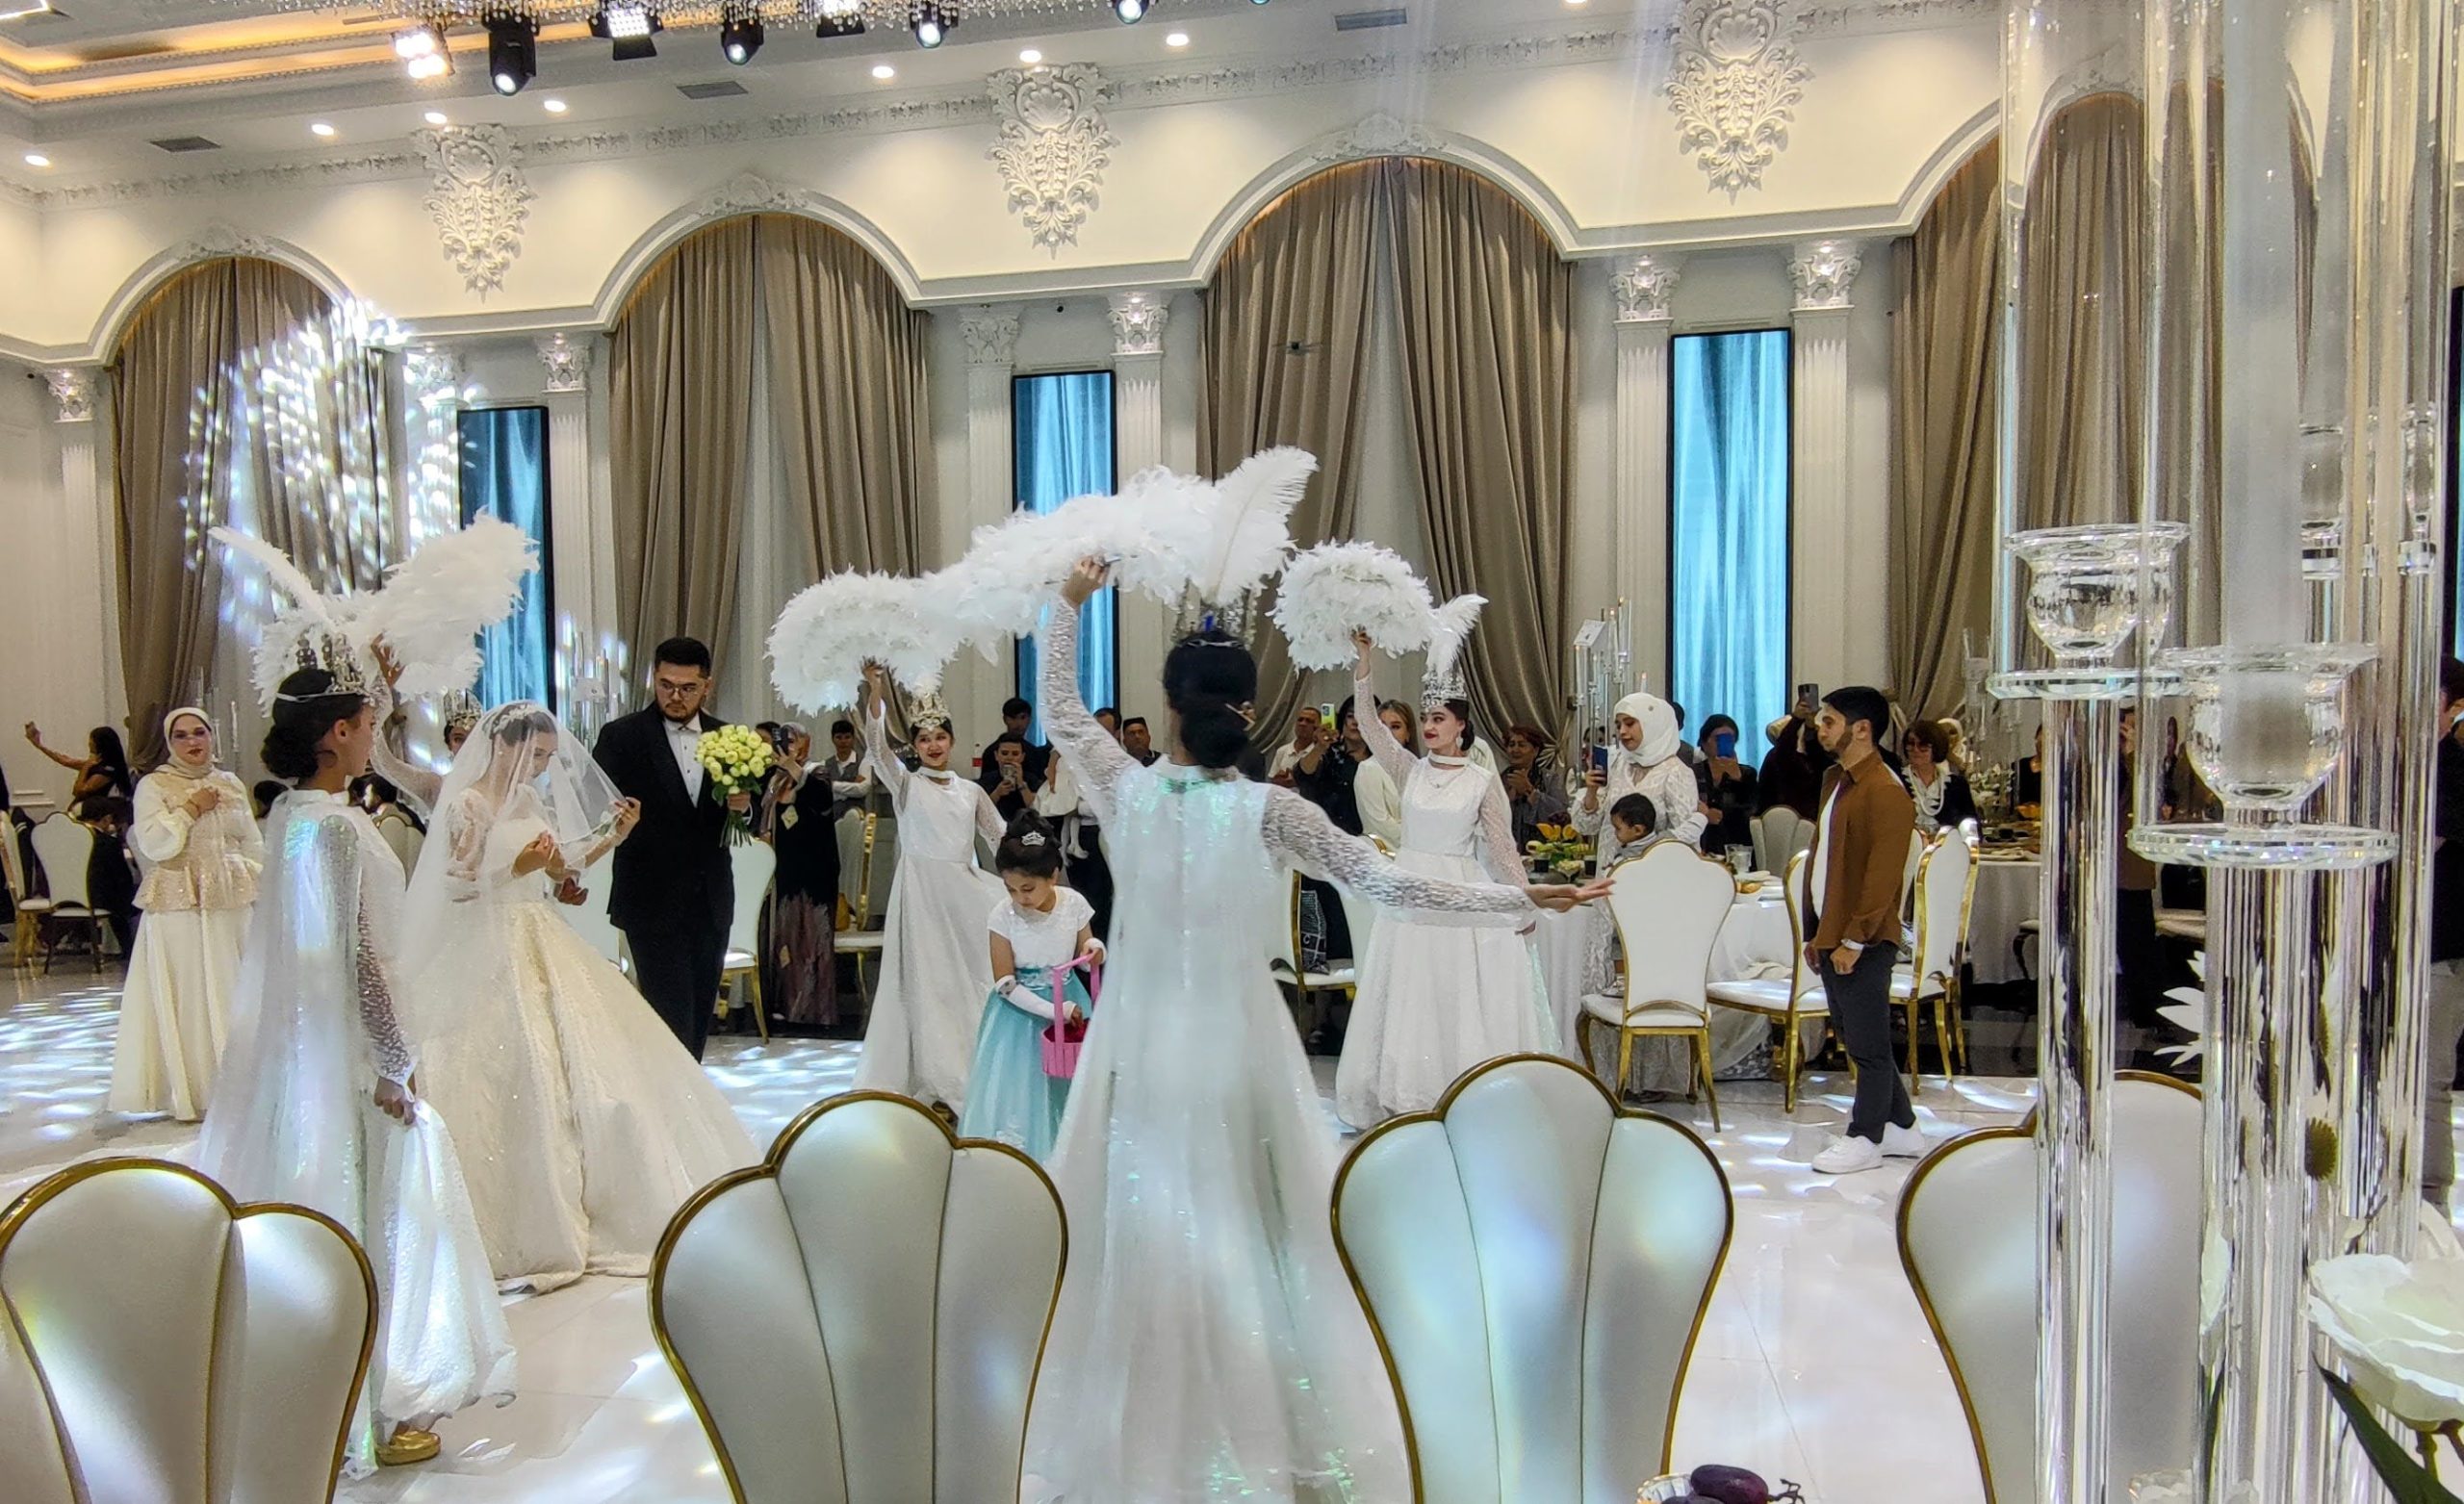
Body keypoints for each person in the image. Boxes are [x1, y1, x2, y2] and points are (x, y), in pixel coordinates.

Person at [1018, 561, 1601, 1502]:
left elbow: (1060, 707)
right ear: (1248, 714)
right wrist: (1521, 895)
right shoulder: (1271, 809)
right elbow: (1392, 885)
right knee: (1257, 1232)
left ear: (1169, 706)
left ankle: (1151, 1426)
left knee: (1145, 1228)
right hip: (1240, 1052)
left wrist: (1069, 604)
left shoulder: (1126, 790)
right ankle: (1266, 1424)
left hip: (1141, 1053)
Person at [196, 665, 514, 1474]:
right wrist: (394, 1059)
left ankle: (332, 1398)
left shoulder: (293, 815)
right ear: (337, 733)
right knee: (375, 1218)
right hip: (351, 1059)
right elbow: (357, 955)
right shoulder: (335, 829)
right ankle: (364, 1409)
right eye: (369, 724)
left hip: (312, 1052)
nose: (375, 737)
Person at [401, 701, 757, 1291]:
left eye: (547, 757)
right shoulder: (468, 804)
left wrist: (613, 836)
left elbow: (560, 866)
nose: (541, 767)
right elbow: (457, 887)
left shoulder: (527, 800)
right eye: (534, 755)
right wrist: (517, 867)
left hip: (539, 931)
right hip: (489, 943)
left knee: (582, 1054)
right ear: (502, 746)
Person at [1337, 628, 1557, 1128]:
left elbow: (1501, 847)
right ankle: (1405, 1090)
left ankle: (1457, 1091)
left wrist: (1522, 901)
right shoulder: (1409, 769)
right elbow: (1369, 724)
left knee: (1451, 991)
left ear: (1460, 725)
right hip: (1410, 892)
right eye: (1427, 718)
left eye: (1439, 718)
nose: (1430, 725)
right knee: (1409, 990)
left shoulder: (1481, 781)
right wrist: (1365, 661)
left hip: (1457, 893)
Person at [851, 668, 1007, 1109]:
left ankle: (973, 1066)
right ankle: (929, 1074)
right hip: (920, 896)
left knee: (967, 981)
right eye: (924, 739)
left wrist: (1023, 881)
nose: (933, 745)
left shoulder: (971, 791)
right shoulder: (906, 785)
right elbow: (877, 746)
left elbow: (1000, 838)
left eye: (940, 737)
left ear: (952, 741)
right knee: (926, 983)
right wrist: (877, 691)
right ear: (915, 746)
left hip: (963, 895)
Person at [591, 637, 747, 1060]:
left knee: (698, 1016)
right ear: (654, 679)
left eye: (687, 688)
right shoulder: (622, 737)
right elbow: (594, 806)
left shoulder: (730, 738)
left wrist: (744, 808)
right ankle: (672, 1099)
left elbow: (743, 821)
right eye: (666, 685)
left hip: (710, 898)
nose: (675, 696)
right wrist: (618, 819)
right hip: (650, 899)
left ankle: (689, 1094)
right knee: (668, 1016)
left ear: (707, 686)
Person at [108, 708, 265, 1120]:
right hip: (179, 901)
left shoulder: (229, 782)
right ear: (169, 742)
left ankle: (242, 1085)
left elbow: (251, 840)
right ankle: (196, 1088)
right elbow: (154, 844)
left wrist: (256, 880)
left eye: (199, 732)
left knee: (236, 988)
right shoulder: (154, 785)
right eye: (181, 735)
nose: (193, 742)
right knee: (191, 992)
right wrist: (190, 809)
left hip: (229, 898)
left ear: (212, 736)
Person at [1803, 686, 1922, 1175]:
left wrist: (1855, 938)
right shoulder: (1838, 780)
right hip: (1834, 932)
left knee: (1868, 1046)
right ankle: (1902, 1126)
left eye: (1829, 721)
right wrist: (1817, 932)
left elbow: (1882, 877)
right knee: (1857, 1035)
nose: (1819, 728)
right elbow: (1825, 860)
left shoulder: (1885, 790)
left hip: (1864, 939)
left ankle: (1866, 1136)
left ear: (1862, 729)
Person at [958, 811, 1101, 1160]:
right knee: (1023, 1087)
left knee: (1069, 1082)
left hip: (1070, 1001)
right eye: (1011, 889)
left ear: (1053, 876)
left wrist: (1094, 949)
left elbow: (1086, 952)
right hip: (1019, 1016)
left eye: (1028, 889)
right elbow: (1005, 982)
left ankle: (1070, 1157)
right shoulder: (1001, 915)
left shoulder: (1074, 903)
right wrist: (1052, 1010)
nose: (1020, 898)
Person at [757, 722, 841, 1028]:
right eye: (783, 741)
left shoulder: (817, 773)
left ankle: (814, 1010)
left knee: (811, 939)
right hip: (783, 869)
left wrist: (792, 766)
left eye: (793, 741)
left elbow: (820, 801)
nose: (787, 746)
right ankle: (784, 1005)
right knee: (785, 938)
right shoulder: (774, 778)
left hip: (813, 870)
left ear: (806, 743)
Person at [1575, 691, 1707, 851]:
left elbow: (1685, 839)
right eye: (1619, 725)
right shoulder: (1616, 763)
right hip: (1610, 863)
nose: (1622, 731)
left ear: (1651, 724)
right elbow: (1587, 827)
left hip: (1654, 864)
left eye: (1630, 724)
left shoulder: (1676, 772)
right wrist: (1591, 792)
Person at [2426, 658, 2464, 1210]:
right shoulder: (2377, 763)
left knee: (2428, 1078)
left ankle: (2428, 1199)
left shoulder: (2453, 769)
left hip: (2442, 947)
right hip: (2374, 945)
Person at [1581, 792, 1660, 999]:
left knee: (1619, 946)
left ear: (1637, 830)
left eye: (1618, 829)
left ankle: (1623, 989)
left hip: (1632, 923)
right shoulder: (1665, 846)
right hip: (1658, 926)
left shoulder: (1629, 861)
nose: (1615, 834)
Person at [1035, 745, 1115, 939]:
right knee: (1080, 893)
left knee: (1098, 896)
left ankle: (1098, 941)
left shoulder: (1105, 770)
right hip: (1076, 836)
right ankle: (1083, 940)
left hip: (1098, 833)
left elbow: (1104, 806)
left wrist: (1076, 807)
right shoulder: (1068, 764)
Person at [24, 721, 133, 819]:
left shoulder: (107, 771)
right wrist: (39, 745)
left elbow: (78, 791)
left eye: (91, 740)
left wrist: (86, 767)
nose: (89, 743)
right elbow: (66, 761)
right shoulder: (97, 762)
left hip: (91, 814)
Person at [1695, 713, 1760, 854]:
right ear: (1704, 742)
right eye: (1717, 739)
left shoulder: (1747, 773)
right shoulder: (1694, 772)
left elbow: (1752, 809)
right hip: (1704, 840)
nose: (1722, 744)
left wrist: (1737, 780)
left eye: (1729, 739)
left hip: (1737, 841)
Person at [1758, 693, 1831, 819]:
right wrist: (1796, 719)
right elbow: (1785, 751)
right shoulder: (1776, 757)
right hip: (1782, 817)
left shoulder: (1817, 758)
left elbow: (1815, 753)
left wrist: (1810, 724)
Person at [1901, 719, 1977, 835]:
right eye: (1911, 744)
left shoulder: (1957, 785)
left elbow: (1971, 827)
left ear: (1936, 747)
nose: (1916, 749)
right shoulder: (1896, 780)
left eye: (1923, 745)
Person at [1502, 722, 1570, 849]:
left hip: (1543, 851)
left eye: (1522, 745)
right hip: (1505, 850)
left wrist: (1530, 791)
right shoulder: (1498, 780)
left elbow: (1563, 816)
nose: (1515, 750)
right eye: (1511, 745)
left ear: (1535, 751)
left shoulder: (1550, 778)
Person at [980, 697, 1051, 793]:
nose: (1018, 723)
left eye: (1023, 718)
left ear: (1030, 719)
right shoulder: (990, 752)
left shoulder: (1034, 753)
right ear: (1005, 719)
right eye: (1013, 718)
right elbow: (984, 787)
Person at [1268, 705, 1325, 784]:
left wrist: (1297, 781)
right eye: (1300, 720)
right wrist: (1278, 780)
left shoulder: (1321, 754)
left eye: (1309, 721)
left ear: (1318, 727)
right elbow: (1271, 780)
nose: (1302, 723)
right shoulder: (1282, 751)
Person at [986, 733, 1035, 821]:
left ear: (1022, 757)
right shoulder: (987, 779)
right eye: (1004, 753)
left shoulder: (1032, 779)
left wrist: (1021, 784)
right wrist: (997, 793)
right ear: (996, 755)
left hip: (1025, 825)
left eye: (1015, 754)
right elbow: (981, 810)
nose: (1009, 757)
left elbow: (1036, 808)